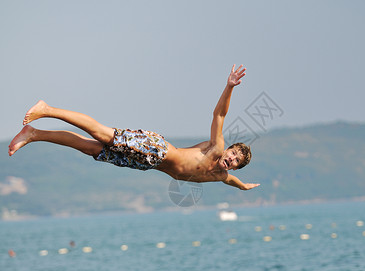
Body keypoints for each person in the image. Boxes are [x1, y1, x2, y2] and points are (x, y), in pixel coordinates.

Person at [8, 65, 260, 190]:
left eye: (236, 160)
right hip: (155, 150)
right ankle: (47, 109)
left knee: (91, 148)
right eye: (233, 153)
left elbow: (232, 181)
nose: (231, 159)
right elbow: (219, 114)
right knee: (100, 133)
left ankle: (35, 134)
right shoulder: (216, 148)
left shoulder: (220, 175)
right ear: (228, 149)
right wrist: (229, 87)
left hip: (146, 163)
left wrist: (244, 186)